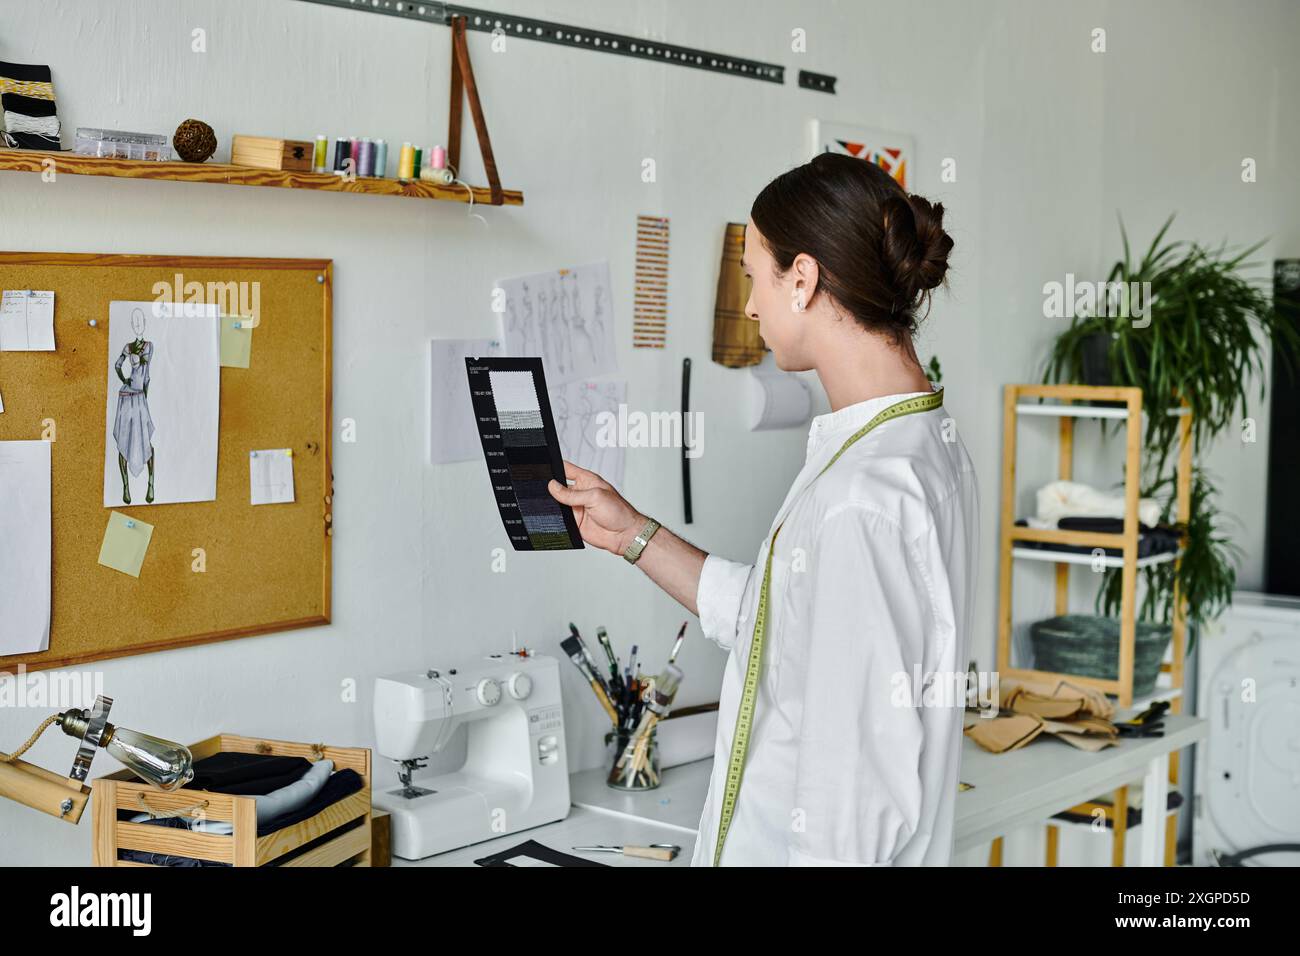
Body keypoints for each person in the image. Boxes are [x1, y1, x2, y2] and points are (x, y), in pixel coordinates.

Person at [549, 153, 978, 866]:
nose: (749, 305)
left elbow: (852, 801)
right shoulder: (923, 444)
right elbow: (788, 618)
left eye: (755, 276)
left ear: (803, 279)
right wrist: (635, 536)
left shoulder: (861, 499)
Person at [113, 306, 156, 504]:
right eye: (135, 322)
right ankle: (125, 487)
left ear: (144, 324)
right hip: (127, 395)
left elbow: (146, 372)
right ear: (132, 325)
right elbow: (117, 365)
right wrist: (125, 379)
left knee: (145, 440)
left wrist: (144, 396)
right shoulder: (128, 347)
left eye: (141, 321)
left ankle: (151, 483)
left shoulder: (148, 346)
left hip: (139, 396)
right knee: (123, 442)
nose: (138, 324)